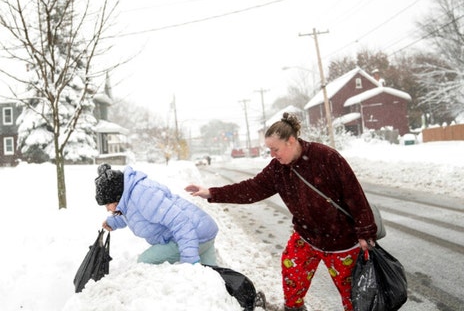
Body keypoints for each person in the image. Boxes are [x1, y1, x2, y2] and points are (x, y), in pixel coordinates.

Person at [185, 113, 378, 311]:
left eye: (275, 149)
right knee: (292, 272)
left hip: (342, 242)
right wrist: (211, 193)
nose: (272, 154)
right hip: (307, 236)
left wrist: (365, 232)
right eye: (269, 149)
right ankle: (294, 309)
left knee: (353, 295)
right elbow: (251, 188)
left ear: (291, 141)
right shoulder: (278, 169)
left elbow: (354, 193)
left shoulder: (326, 157)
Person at [95, 163, 219, 265]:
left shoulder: (143, 195)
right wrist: (114, 222)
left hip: (195, 236)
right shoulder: (130, 194)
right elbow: (135, 214)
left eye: (107, 204)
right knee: (214, 281)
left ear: (117, 196)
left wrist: (189, 259)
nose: (107, 209)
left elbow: (180, 222)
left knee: (145, 262)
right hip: (202, 231)